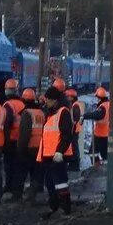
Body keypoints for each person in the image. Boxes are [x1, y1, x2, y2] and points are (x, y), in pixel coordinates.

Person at [39, 87, 75, 217]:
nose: (46, 102)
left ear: (54, 100)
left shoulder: (62, 113)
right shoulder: (51, 113)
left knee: (60, 183)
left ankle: (65, 208)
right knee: (50, 183)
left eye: (48, 100)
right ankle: (54, 207)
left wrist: (60, 151)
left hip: (58, 155)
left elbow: (66, 134)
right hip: (49, 155)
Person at [1, 83, 27, 199]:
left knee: (9, 165)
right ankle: (18, 190)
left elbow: (7, 123)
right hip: (21, 140)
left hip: (11, 139)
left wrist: (4, 141)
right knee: (19, 165)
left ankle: (9, 187)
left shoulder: (7, 105)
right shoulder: (22, 104)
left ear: (6, 91)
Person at [90, 87, 110, 165]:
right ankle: (105, 170)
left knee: (93, 153)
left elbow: (97, 115)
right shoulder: (108, 104)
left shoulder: (102, 107)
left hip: (99, 134)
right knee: (105, 154)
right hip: (106, 133)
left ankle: (96, 169)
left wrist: (86, 116)